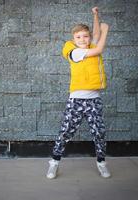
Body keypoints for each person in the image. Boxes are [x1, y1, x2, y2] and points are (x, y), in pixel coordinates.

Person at [46, 7, 111, 179]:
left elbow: (95, 33)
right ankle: (54, 163)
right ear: (73, 39)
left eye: (85, 36)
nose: (82, 39)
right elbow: (98, 49)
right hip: (76, 100)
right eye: (78, 37)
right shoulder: (74, 52)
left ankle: (101, 163)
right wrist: (106, 31)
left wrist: (96, 15)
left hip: (94, 100)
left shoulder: (90, 43)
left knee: (99, 133)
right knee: (65, 131)